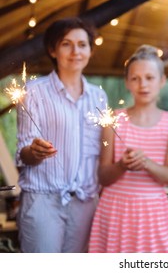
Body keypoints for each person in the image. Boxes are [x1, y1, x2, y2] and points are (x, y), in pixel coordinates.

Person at [15, 17, 108, 252]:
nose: (75, 51)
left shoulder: (98, 97)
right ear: (53, 50)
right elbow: (24, 153)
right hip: (43, 201)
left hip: (85, 202)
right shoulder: (33, 92)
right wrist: (34, 151)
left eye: (82, 44)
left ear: (90, 50)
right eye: (66, 44)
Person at [88, 45, 168, 253]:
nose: (143, 84)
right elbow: (103, 176)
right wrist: (122, 165)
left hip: (153, 213)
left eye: (149, 77)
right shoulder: (112, 119)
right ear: (127, 82)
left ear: (162, 81)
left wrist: (146, 163)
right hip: (114, 210)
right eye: (135, 78)